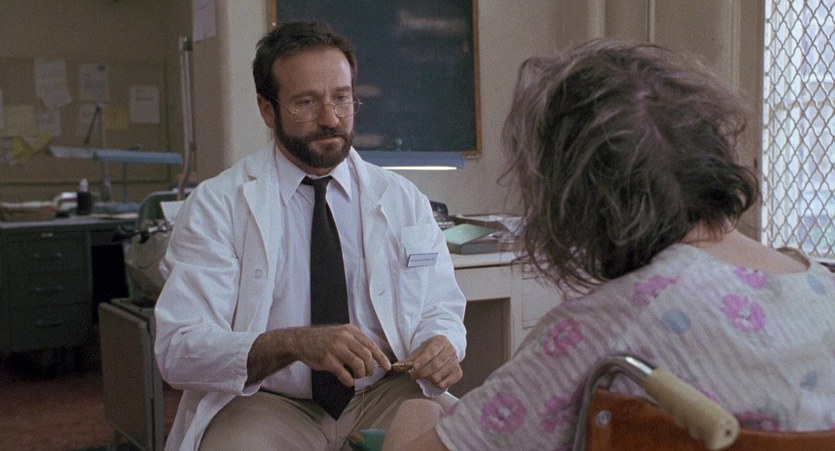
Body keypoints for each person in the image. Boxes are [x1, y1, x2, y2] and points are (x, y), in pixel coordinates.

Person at [382, 38, 835, 450]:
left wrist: (416, 411)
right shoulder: (822, 286)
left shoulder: (608, 325)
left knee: (420, 408)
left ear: (575, 200)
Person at [153, 21, 467, 451]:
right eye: (306, 102)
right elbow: (179, 349)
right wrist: (291, 344)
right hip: (267, 403)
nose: (330, 118)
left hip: (383, 393)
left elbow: (439, 305)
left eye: (342, 98)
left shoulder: (401, 199)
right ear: (268, 110)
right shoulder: (218, 205)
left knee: (469, 439)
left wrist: (442, 343)